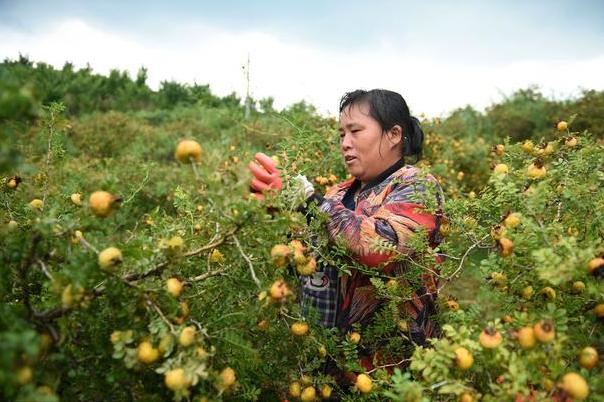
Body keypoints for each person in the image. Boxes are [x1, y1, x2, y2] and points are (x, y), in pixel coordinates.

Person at [248, 89, 445, 374]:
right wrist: (275, 215)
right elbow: (306, 260)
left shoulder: (416, 185)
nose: (345, 143)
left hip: (386, 371)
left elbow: (378, 247)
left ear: (393, 134)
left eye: (355, 131)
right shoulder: (338, 194)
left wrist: (309, 202)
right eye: (342, 134)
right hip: (326, 367)